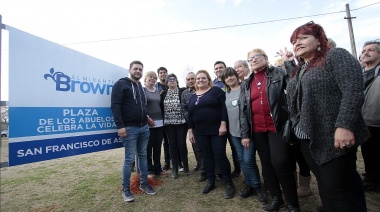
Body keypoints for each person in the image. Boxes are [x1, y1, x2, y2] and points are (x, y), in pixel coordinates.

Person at [285, 22, 370, 211]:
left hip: (333, 136)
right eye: (294, 40)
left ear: (319, 40)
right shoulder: (301, 69)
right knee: (326, 185)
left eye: (303, 38)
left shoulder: (335, 55)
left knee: (336, 190)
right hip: (308, 138)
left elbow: (353, 90)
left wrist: (344, 125)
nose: (297, 43)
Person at [240, 48, 299, 211]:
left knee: (280, 163)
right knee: (267, 165)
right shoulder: (246, 83)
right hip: (258, 130)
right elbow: (243, 111)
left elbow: (295, 85)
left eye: (256, 57)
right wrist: (245, 134)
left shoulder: (279, 73)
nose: (253, 60)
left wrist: (289, 62)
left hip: (277, 127)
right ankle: (276, 198)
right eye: (249, 59)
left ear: (265, 58)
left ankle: (293, 203)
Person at [111, 60, 156, 202]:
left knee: (142, 155)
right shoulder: (121, 84)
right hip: (129, 128)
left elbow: (141, 106)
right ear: (130, 69)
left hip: (144, 127)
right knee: (130, 159)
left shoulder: (140, 88)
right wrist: (120, 126)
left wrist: (147, 117)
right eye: (135, 69)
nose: (138, 71)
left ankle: (143, 184)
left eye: (140, 69)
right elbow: (115, 106)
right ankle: (126, 190)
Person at [221, 67, 267, 203]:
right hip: (233, 133)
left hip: (247, 132)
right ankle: (249, 185)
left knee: (248, 160)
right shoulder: (225, 93)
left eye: (231, 76)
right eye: (226, 77)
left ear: (236, 76)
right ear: (224, 80)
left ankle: (258, 187)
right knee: (241, 159)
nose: (229, 78)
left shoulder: (245, 88)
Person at [188, 70, 236, 199]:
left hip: (217, 130)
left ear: (208, 79)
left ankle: (228, 182)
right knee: (207, 156)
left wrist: (223, 124)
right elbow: (190, 115)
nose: (200, 80)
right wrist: (190, 130)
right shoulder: (193, 96)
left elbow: (224, 108)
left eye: (203, 78)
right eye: (198, 78)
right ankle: (211, 181)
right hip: (200, 132)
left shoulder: (216, 91)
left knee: (220, 155)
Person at [160, 73, 189, 178]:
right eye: (170, 79)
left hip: (181, 123)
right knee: (172, 145)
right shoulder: (163, 94)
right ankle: (175, 169)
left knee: (181, 144)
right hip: (168, 124)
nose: (172, 81)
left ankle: (185, 167)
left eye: (174, 79)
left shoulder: (182, 91)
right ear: (167, 83)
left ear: (177, 81)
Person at [361, 39, 380, 192]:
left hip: (376, 119)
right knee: (368, 150)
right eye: (363, 51)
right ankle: (371, 177)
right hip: (362, 120)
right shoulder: (359, 73)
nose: (365, 53)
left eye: (370, 50)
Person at [181, 72, 207, 182]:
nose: (191, 81)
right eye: (188, 79)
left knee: (209, 149)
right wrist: (192, 118)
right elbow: (184, 109)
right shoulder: (184, 93)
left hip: (207, 124)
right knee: (198, 149)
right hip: (193, 125)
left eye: (193, 78)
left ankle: (215, 171)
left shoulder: (204, 90)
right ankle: (203, 171)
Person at [143, 71, 167, 177]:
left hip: (159, 123)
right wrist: (147, 118)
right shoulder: (142, 90)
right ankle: (149, 170)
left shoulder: (157, 91)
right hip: (148, 123)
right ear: (145, 79)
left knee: (157, 146)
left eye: (154, 78)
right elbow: (141, 106)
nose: (152, 79)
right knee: (148, 147)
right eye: (150, 77)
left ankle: (158, 168)